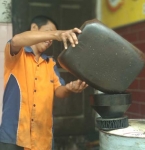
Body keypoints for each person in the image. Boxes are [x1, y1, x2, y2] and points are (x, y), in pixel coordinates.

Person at [0, 15, 88, 150]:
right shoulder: (16, 55)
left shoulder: (50, 64)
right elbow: (17, 40)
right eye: (47, 31)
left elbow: (59, 91)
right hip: (13, 136)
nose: (50, 40)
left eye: (52, 38)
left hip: (42, 139)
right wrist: (57, 34)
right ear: (34, 28)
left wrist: (70, 88)